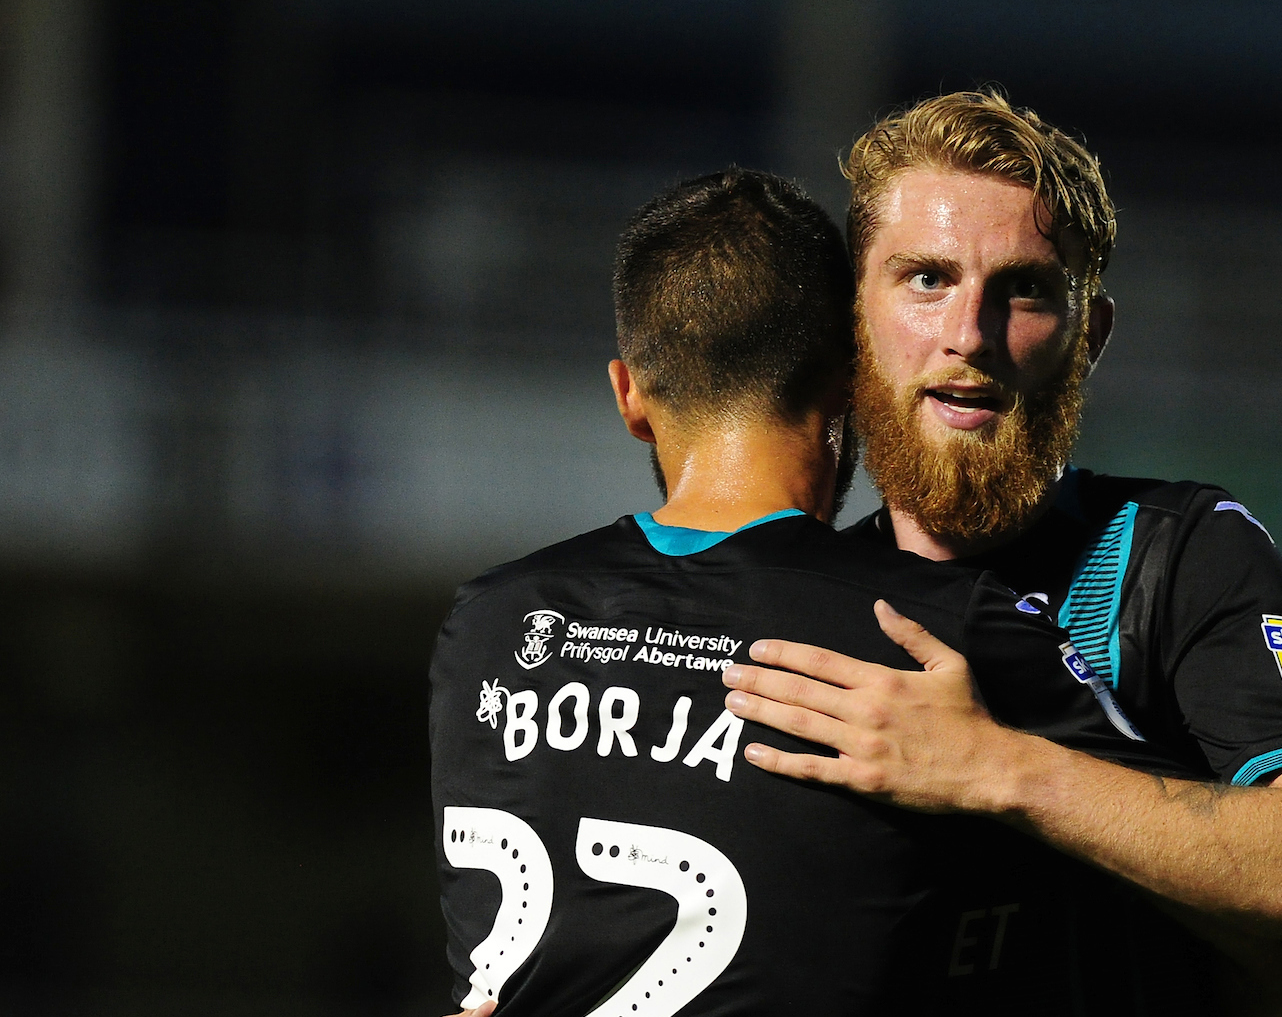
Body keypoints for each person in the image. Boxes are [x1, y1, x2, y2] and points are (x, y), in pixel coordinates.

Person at [428, 168, 1187, 1017]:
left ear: (630, 396)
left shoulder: (487, 622)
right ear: (853, 378)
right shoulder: (930, 631)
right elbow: (1272, 894)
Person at [721, 89, 1282, 1012]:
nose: (969, 335)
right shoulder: (800, 607)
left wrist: (993, 768)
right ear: (854, 319)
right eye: (927, 278)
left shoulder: (1179, 552)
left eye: (1025, 290)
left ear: (1092, 336)